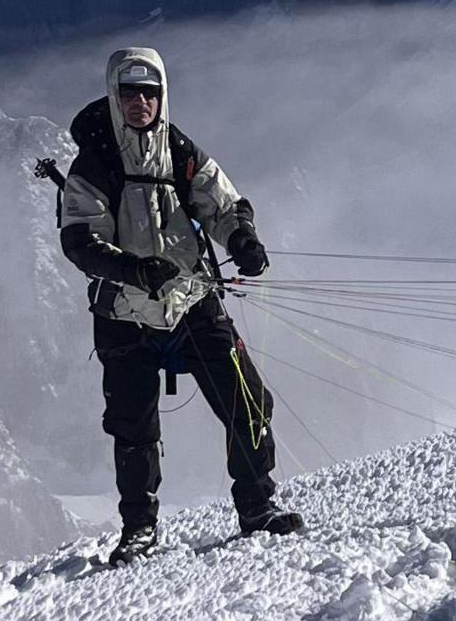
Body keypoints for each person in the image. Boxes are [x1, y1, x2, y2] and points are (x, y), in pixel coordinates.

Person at [54, 46, 303, 565]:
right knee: (133, 427)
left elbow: (224, 204)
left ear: (162, 96)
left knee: (250, 401)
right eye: (129, 92)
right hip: (125, 313)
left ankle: (258, 507)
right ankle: (139, 530)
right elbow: (80, 241)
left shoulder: (181, 151)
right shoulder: (95, 160)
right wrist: (135, 271)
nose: (140, 102)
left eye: (149, 92)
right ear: (113, 94)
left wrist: (242, 242)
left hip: (190, 300)